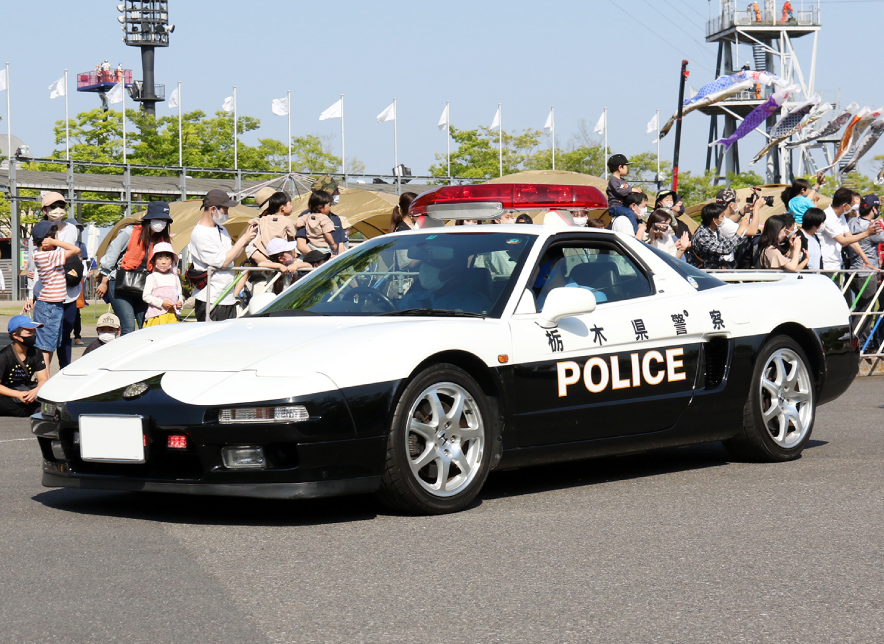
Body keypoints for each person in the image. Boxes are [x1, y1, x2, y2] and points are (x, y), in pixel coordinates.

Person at [24, 192, 83, 367]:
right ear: (44, 209)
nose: (58, 210)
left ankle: (64, 369)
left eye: (61, 206)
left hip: (69, 291)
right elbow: (32, 270)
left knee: (65, 334)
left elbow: (73, 257)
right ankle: (43, 374)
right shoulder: (37, 233)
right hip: (47, 294)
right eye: (53, 206)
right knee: (45, 337)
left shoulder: (72, 229)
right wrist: (29, 294)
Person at [97, 201, 174, 334]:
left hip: (144, 286)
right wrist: (104, 282)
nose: (160, 222)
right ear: (148, 218)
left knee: (146, 325)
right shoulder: (130, 231)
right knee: (128, 326)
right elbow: (111, 255)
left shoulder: (163, 239)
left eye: (164, 219)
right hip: (120, 283)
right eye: (157, 218)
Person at [191, 189, 257, 321]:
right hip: (210, 298)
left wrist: (246, 240)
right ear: (213, 209)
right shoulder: (200, 233)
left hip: (228, 296)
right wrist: (243, 239)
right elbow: (223, 262)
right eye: (225, 210)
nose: (227, 213)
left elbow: (233, 257)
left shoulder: (222, 228)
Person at [846, 195, 884, 348]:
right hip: (867, 273)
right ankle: (857, 342)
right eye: (878, 207)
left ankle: (862, 342)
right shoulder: (872, 228)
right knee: (866, 310)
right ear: (873, 209)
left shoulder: (851, 222)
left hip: (852, 272)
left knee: (860, 308)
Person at [692, 198, 761, 269]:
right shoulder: (702, 235)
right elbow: (725, 249)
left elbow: (726, 242)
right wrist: (740, 231)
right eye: (722, 216)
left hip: (716, 269)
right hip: (705, 272)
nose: (724, 219)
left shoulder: (715, 228)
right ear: (714, 220)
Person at [0, 316, 48, 417]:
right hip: (8, 394)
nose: (33, 335)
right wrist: (18, 395)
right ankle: (36, 410)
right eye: (29, 333)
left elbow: (43, 379)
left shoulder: (36, 352)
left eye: (34, 332)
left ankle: (35, 409)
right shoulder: (4, 356)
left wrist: (36, 391)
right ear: (16, 336)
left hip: (27, 391)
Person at [820, 188, 875, 272]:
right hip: (826, 265)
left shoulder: (841, 215)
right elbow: (843, 241)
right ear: (845, 205)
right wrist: (867, 233)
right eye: (852, 204)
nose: (853, 207)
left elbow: (850, 238)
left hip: (838, 263)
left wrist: (864, 258)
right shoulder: (827, 217)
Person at [296, 176, 348, 257]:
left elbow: (340, 246)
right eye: (336, 190)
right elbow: (301, 245)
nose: (338, 193)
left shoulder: (335, 218)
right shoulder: (307, 216)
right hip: (314, 266)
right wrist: (321, 259)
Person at [142, 242, 183, 327]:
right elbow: (146, 296)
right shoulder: (151, 277)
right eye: (160, 259)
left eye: (167, 258)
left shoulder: (175, 277)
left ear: (172, 260)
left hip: (172, 315)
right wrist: (161, 303)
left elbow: (179, 294)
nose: (163, 262)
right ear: (154, 260)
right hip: (156, 316)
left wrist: (180, 303)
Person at [296, 190, 340, 257]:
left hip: (311, 245)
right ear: (320, 207)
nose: (330, 208)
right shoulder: (324, 218)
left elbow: (297, 224)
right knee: (324, 260)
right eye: (329, 205)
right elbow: (327, 232)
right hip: (323, 247)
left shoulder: (307, 216)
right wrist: (333, 243)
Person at [797, 207, 826, 271]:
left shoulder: (815, 237)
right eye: (821, 222)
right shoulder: (799, 237)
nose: (823, 225)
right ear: (814, 225)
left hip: (816, 276)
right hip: (804, 276)